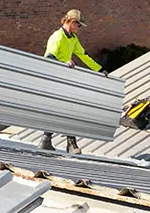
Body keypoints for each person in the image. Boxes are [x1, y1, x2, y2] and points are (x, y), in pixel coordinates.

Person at [39, 9, 108, 154]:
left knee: (66, 108)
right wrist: (63, 63)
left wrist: (100, 70)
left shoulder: (73, 39)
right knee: (63, 109)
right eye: (79, 25)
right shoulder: (57, 37)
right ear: (71, 21)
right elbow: (49, 58)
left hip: (64, 79)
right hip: (54, 78)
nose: (79, 28)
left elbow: (83, 55)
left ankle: (50, 140)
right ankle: (64, 143)